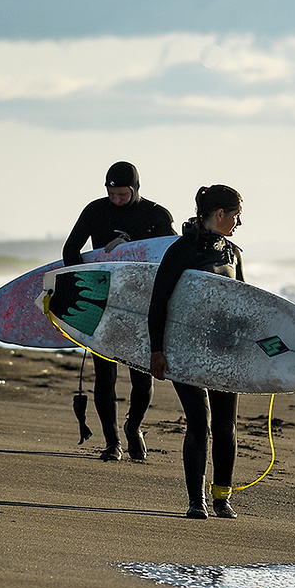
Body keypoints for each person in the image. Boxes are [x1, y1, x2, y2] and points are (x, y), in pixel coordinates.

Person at [62, 161, 176, 462]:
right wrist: (86, 291)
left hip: (142, 305)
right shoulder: (95, 211)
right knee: (104, 375)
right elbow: (69, 251)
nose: (116, 200)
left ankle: (133, 427)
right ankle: (112, 442)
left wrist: (129, 247)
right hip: (105, 304)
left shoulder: (156, 215)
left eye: (123, 195)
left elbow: (172, 256)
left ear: (136, 189)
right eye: (112, 194)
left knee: (142, 377)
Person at [148, 184, 246, 519]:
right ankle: (196, 500)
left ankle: (222, 497)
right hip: (185, 350)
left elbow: (245, 306)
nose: (237, 223)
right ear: (220, 214)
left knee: (225, 424)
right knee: (199, 422)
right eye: (236, 216)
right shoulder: (181, 251)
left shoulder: (233, 254)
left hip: (224, 353)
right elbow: (158, 302)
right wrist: (157, 351)